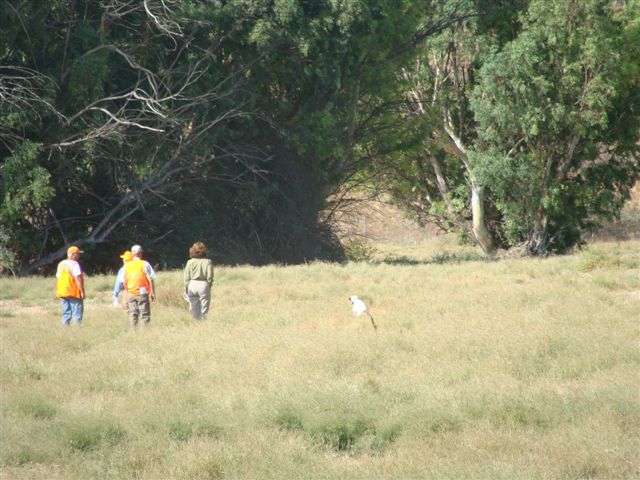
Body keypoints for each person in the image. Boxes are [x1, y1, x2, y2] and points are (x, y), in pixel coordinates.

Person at [123, 244, 156, 328]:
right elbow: (151, 278)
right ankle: (145, 332)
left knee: (133, 314)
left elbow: (124, 281)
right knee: (145, 313)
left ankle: (134, 332)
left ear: (132, 254)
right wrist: (152, 292)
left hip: (131, 293)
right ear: (141, 253)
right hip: (143, 293)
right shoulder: (145, 264)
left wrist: (127, 293)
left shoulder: (126, 265)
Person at [55, 246, 85, 326]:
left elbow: (58, 277)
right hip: (73, 291)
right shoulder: (75, 264)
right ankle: (77, 329)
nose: (79, 256)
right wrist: (82, 291)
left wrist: (58, 290)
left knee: (66, 311)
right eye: (77, 254)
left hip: (62, 291)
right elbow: (77, 278)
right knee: (77, 311)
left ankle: (65, 327)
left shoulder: (61, 263)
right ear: (72, 255)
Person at [183, 242, 214, 320]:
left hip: (192, 284)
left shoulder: (189, 262)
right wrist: (209, 285)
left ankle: (195, 323)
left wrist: (186, 287)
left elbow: (186, 277)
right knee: (204, 308)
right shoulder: (208, 262)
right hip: (203, 284)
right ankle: (203, 323)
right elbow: (210, 276)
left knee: (193, 308)